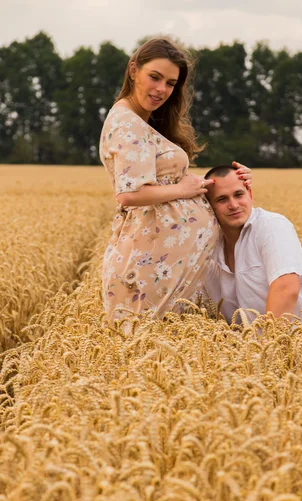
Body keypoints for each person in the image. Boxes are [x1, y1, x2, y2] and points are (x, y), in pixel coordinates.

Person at [99, 38, 252, 323]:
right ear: (133, 71)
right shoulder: (126, 123)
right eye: (154, 77)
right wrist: (182, 189)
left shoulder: (140, 121)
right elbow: (129, 194)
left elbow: (167, 185)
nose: (161, 90)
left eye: (170, 83)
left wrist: (235, 181)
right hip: (149, 267)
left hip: (165, 266)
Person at [203, 165, 302, 323]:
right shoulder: (206, 246)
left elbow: (286, 287)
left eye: (239, 195)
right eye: (222, 199)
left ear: (250, 195)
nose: (233, 205)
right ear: (208, 206)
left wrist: (268, 345)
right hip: (251, 345)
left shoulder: (272, 226)